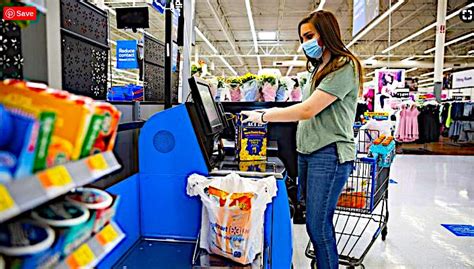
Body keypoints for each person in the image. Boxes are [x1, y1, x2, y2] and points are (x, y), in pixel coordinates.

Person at [241, 10, 363, 269]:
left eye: (309, 35)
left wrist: (265, 116)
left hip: (329, 154)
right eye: (302, 37)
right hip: (309, 153)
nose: (305, 42)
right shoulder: (318, 69)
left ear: (326, 34)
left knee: (318, 226)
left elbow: (308, 110)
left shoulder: (344, 66)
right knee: (313, 222)